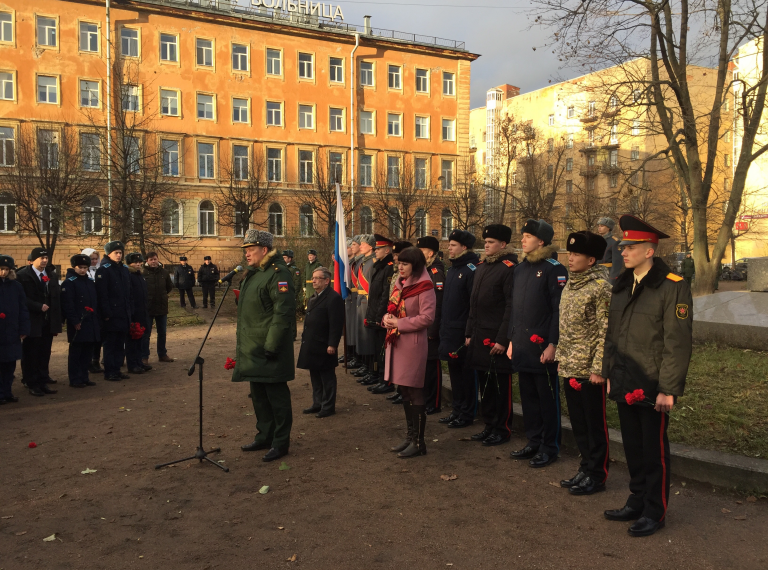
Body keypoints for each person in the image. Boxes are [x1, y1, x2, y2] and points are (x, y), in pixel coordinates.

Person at [602, 215, 692, 537]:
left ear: (649, 250)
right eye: (622, 246)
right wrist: (608, 373)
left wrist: (668, 389)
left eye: (630, 246)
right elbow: (612, 335)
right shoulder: (622, 284)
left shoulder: (672, 287)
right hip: (625, 379)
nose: (622, 251)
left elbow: (676, 342)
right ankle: (637, 500)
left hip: (653, 384)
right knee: (633, 447)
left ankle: (655, 510)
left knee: (654, 452)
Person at [508, 219, 568, 467]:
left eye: (527, 236)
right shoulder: (520, 269)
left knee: (547, 399)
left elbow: (558, 310)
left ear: (541, 241)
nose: (522, 240)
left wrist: (553, 343)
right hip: (522, 345)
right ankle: (533, 441)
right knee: (529, 398)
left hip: (542, 346)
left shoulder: (555, 269)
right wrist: (511, 339)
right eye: (522, 236)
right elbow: (515, 308)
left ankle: (549, 446)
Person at [556, 231, 612, 495]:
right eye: (570, 253)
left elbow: (606, 331)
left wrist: (598, 368)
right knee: (578, 422)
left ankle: (597, 474)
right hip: (569, 366)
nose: (571, 258)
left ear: (591, 260)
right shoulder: (571, 283)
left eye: (577, 254)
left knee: (594, 424)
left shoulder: (600, 288)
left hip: (590, 371)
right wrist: (561, 357)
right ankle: (585, 466)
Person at [235, 230, 296, 462]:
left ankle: (280, 442)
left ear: (264, 250)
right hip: (253, 347)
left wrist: (271, 345)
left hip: (270, 348)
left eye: (250, 250)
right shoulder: (255, 273)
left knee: (277, 398)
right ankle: (265, 436)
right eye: (245, 250)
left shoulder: (279, 274)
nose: (247, 254)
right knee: (259, 396)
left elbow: (283, 313)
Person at [465, 225, 517, 447]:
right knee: (485, 385)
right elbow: (473, 304)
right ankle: (489, 425)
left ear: (503, 245)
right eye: (485, 241)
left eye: (491, 242)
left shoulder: (508, 268)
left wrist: (503, 339)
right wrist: (469, 332)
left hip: (496, 338)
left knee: (499, 386)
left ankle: (502, 428)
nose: (486, 245)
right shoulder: (482, 267)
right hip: (479, 335)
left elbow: (510, 306)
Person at [383, 247, 436, 458]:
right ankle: (410, 435)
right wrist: (386, 320)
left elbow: (427, 318)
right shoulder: (399, 285)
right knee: (403, 389)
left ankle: (419, 442)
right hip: (396, 342)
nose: (400, 267)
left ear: (416, 265)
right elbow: (392, 309)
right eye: (399, 263)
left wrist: (399, 323)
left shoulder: (425, 286)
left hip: (413, 344)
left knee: (414, 390)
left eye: (405, 263)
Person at [438, 230, 480, 428]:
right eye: (449, 244)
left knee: (465, 375)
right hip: (450, 330)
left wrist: (469, 332)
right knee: (454, 372)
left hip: (463, 331)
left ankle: (467, 412)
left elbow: (473, 304)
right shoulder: (453, 269)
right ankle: (457, 409)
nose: (449, 248)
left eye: (453, 245)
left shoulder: (471, 270)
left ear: (464, 247)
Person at [297, 267, 344, 418]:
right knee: (315, 376)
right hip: (312, 343)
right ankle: (317, 403)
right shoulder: (314, 296)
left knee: (327, 377)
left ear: (326, 281)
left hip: (324, 344)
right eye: (313, 277)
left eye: (317, 278)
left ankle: (328, 406)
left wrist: (332, 344)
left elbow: (336, 324)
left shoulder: (333, 298)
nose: (314, 280)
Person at [17, 247, 62, 396]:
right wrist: (37, 306)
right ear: (33, 259)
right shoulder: (23, 275)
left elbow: (55, 296)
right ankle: (31, 382)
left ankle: (43, 380)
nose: (44, 261)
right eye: (41, 258)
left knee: (44, 352)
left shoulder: (51, 274)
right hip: (32, 320)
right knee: (31, 353)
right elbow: (21, 298)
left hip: (48, 321)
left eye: (46, 258)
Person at [61, 254, 100, 388]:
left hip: (90, 322)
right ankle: (75, 378)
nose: (83, 270)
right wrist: (74, 320)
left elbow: (94, 302)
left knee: (87, 352)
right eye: (80, 267)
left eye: (85, 267)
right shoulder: (69, 283)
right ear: (74, 267)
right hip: (78, 323)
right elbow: (68, 304)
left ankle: (84, 376)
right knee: (76, 352)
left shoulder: (89, 282)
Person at [96, 241, 132, 382]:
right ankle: (109, 371)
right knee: (110, 344)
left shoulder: (123, 269)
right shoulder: (104, 269)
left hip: (123, 313)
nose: (119, 255)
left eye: (120, 252)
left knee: (120, 344)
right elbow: (102, 294)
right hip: (111, 314)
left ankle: (117, 369)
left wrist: (130, 309)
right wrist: (106, 313)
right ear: (108, 253)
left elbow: (128, 292)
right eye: (116, 253)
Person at [417, 236, 445, 415]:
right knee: (424, 366)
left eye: (421, 251)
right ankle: (425, 399)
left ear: (430, 253)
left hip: (431, 327)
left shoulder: (436, 272)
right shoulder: (424, 270)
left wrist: (432, 329)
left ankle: (433, 402)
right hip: (422, 325)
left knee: (432, 366)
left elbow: (437, 303)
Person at [364, 235, 395, 393]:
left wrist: (378, 317)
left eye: (378, 249)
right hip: (375, 314)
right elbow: (374, 295)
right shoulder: (380, 266)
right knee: (377, 349)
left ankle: (386, 380)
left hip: (381, 317)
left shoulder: (389, 267)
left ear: (387, 250)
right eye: (375, 248)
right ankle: (379, 376)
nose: (375, 251)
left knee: (383, 350)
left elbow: (385, 295)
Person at [385, 240, 413, 405]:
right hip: (394, 320)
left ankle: (405, 391)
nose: (396, 259)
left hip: (405, 324)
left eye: (400, 257)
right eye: (396, 256)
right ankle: (400, 389)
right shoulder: (397, 275)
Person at [0, 255, 30, 404]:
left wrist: (24, 328)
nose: (3, 272)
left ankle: (7, 391)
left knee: (10, 364)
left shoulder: (16, 286)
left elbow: (23, 308)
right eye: (1, 269)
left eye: (6, 269)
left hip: (12, 330)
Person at [142, 252, 174, 364]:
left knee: (162, 332)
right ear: (147, 261)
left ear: (158, 259)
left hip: (161, 307)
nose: (154, 261)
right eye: (151, 259)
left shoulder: (164, 272)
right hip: (148, 307)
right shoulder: (143, 273)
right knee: (146, 334)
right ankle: (144, 356)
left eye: (155, 259)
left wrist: (162, 295)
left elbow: (169, 286)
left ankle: (162, 354)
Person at [353, 236, 376, 381]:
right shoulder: (364, 261)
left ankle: (371, 369)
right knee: (362, 336)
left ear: (371, 247)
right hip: (360, 301)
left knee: (368, 337)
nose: (361, 246)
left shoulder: (373, 262)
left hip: (367, 302)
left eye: (363, 244)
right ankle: (366, 366)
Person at [126, 253, 151, 375]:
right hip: (134, 312)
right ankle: (132, 364)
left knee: (140, 338)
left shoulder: (140, 275)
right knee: (132, 340)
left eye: (140, 262)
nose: (138, 264)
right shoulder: (129, 275)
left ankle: (139, 361)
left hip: (142, 311)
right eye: (135, 262)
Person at [81, 248, 103, 373]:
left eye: (95, 258)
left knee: (98, 337)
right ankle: (88, 362)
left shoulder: (98, 271)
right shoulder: (84, 272)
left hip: (98, 308)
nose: (94, 261)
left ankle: (96, 360)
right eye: (92, 259)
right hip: (88, 308)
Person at [341, 239, 359, 365]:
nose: (350, 248)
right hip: (350, 298)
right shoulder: (349, 263)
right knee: (349, 327)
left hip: (356, 298)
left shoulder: (356, 263)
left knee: (354, 328)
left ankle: (354, 355)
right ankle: (349, 353)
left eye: (352, 246)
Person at [283, 250, 303, 341]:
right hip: (283, 295)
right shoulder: (283, 268)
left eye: (284, 258)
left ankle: (292, 334)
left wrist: (294, 295)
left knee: (291, 315)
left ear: (289, 259)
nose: (283, 259)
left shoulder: (295, 270)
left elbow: (297, 284)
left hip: (291, 295)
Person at [596, 217, 624, 283]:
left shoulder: (615, 242)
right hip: (597, 274)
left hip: (607, 274)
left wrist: (612, 279)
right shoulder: (597, 241)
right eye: (599, 226)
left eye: (602, 226)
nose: (599, 228)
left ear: (608, 228)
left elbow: (617, 263)